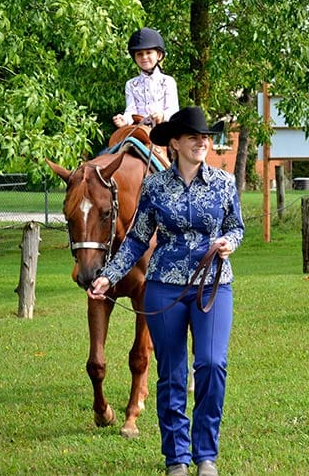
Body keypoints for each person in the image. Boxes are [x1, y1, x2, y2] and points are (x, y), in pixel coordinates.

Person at [89, 107, 244, 476]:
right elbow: (137, 238)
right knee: (171, 373)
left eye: (204, 137)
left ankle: (206, 455)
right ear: (174, 144)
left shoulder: (223, 182)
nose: (201, 142)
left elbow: (236, 227)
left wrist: (229, 243)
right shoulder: (155, 186)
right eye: (193, 137)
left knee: (211, 364)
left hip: (213, 286)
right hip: (163, 288)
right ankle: (176, 458)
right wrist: (109, 276)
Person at [112, 27, 179, 128]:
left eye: (148, 53)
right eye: (139, 54)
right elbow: (131, 111)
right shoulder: (131, 84)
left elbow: (173, 111)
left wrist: (162, 116)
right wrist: (124, 120)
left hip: (163, 129)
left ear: (159, 55)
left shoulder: (168, 81)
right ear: (135, 58)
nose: (144, 57)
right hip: (140, 129)